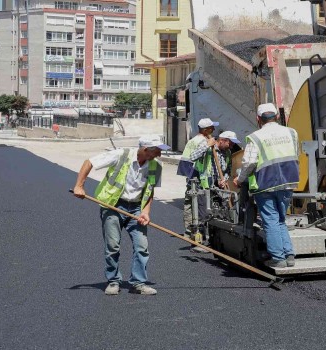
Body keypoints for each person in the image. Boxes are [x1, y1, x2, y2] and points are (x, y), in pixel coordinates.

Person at [73, 135, 170, 296]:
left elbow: (150, 189)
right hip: (113, 205)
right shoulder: (121, 155)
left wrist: (146, 211)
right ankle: (113, 281)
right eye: (158, 151)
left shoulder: (156, 166)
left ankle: (138, 283)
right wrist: (79, 186)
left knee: (142, 246)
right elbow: (89, 162)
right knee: (113, 246)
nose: (160, 154)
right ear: (146, 150)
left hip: (136, 209)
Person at [233, 103, 299, 268]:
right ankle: (289, 254)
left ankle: (279, 259)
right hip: (288, 181)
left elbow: (249, 162)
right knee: (281, 219)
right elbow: (295, 153)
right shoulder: (291, 132)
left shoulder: (256, 137)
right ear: (277, 116)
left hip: (266, 184)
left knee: (270, 220)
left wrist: (240, 179)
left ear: (258, 119)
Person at [177, 118, 218, 248]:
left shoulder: (193, 140)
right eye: (212, 128)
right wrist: (207, 145)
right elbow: (193, 157)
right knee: (200, 207)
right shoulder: (201, 141)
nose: (214, 130)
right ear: (206, 130)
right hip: (199, 179)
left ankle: (190, 232)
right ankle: (198, 234)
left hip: (192, 178)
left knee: (190, 205)